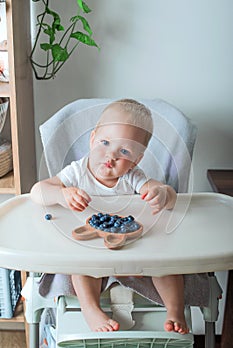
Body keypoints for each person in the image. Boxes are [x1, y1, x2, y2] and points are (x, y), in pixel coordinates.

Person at [31, 99, 189, 334]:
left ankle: (175, 310)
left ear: (137, 158)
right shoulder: (77, 172)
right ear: (92, 138)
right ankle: (91, 309)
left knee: (166, 265)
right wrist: (62, 194)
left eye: (124, 151)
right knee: (80, 270)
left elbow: (170, 195)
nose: (111, 156)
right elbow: (38, 191)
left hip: (134, 251)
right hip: (90, 249)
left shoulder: (132, 176)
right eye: (105, 142)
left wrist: (162, 195)